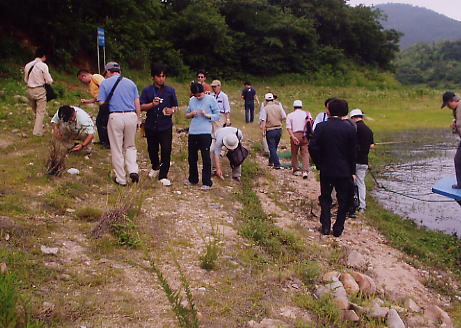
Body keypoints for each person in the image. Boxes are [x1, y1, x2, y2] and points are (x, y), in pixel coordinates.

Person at [309, 99, 356, 237]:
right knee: (343, 199)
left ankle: (325, 226)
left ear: (329, 111)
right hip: (344, 170)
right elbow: (352, 152)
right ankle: (338, 227)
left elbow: (313, 147)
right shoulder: (350, 128)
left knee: (325, 198)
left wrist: (319, 163)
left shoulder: (321, 127)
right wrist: (352, 171)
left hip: (326, 168)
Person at [97, 62, 141, 186]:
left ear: (108, 71)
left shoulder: (105, 83)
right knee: (130, 146)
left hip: (115, 116)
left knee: (117, 148)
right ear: (119, 71)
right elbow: (136, 101)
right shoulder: (131, 83)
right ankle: (133, 170)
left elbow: (101, 102)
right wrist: (138, 118)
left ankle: (121, 179)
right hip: (131, 115)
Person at [140, 63, 178, 186]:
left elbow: (175, 105)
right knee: (152, 149)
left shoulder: (170, 90)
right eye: (159, 76)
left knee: (166, 150)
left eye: (163, 76)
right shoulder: (147, 90)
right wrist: (152, 105)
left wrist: (171, 110)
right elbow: (141, 106)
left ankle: (163, 175)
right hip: (151, 124)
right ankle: (155, 166)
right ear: (153, 77)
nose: (161, 78)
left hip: (165, 124)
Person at [185, 82, 220, 190]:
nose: (198, 96)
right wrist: (191, 114)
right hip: (193, 131)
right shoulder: (192, 100)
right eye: (196, 95)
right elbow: (186, 115)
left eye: (199, 94)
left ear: (203, 91)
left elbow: (217, 115)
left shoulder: (210, 99)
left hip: (205, 132)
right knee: (192, 157)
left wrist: (207, 115)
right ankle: (193, 179)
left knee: (205, 157)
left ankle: (207, 182)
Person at [24, 48, 53, 136]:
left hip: (29, 90)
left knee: (35, 110)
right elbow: (48, 80)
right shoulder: (43, 65)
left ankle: (38, 128)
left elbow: (26, 79)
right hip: (39, 89)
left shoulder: (28, 65)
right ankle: (37, 132)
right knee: (40, 112)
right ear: (43, 56)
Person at [350, 108, 374, 211]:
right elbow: (371, 146)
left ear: (353, 117)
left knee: (351, 183)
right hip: (364, 161)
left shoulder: (353, 128)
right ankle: (362, 206)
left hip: (353, 160)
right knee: (361, 183)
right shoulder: (369, 130)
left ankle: (352, 204)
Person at [76, 69, 108, 147]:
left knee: (103, 122)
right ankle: (103, 141)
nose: (82, 82)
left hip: (107, 102)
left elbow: (105, 87)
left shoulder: (95, 77)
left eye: (81, 79)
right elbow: (97, 97)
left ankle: (107, 142)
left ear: (84, 76)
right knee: (100, 122)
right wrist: (87, 101)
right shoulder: (91, 84)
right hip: (102, 104)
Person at [260, 93, 287, 169]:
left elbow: (263, 121)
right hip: (279, 129)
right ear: (272, 99)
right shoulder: (278, 107)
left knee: (271, 147)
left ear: (266, 100)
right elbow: (284, 116)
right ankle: (271, 161)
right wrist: (279, 120)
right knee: (274, 147)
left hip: (270, 129)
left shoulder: (265, 109)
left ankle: (277, 164)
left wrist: (262, 131)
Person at [441, 92, 461, 189]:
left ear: (451, 101)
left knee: (458, 159)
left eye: (448, 105)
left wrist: (455, 125)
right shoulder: (457, 109)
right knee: (458, 160)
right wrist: (455, 122)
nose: (448, 107)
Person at [286, 100, 311, 179]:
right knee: (305, 153)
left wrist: (293, 137)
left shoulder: (290, 115)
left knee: (294, 153)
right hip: (305, 135)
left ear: (294, 107)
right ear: (301, 106)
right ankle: (305, 171)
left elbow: (288, 127)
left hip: (295, 135)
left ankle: (296, 170)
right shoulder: (307, 114)